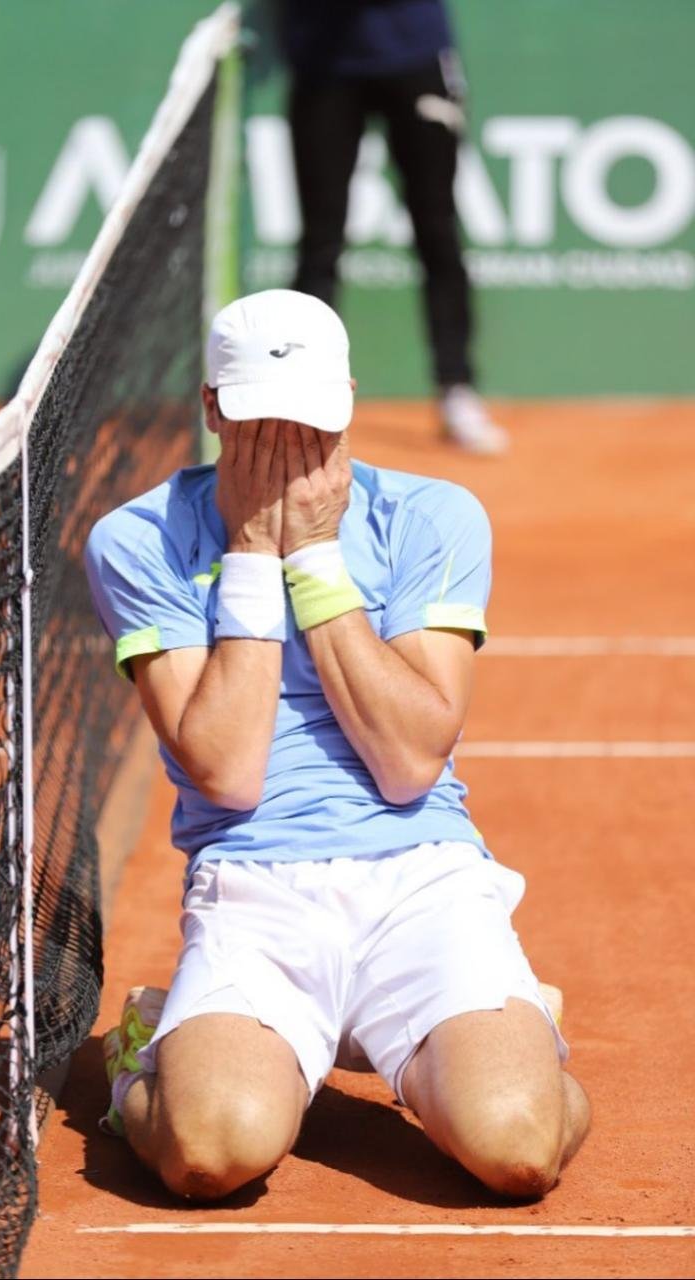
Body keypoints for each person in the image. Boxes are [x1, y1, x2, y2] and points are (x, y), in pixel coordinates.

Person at [84, 289, 589, 1203]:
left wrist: (315, 560)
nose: (286, 443)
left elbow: (408, 764)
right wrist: (247, 552)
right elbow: (230, 775)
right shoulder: (138, 539)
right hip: (254, 883)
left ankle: (507, 1032)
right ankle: (148, 1056)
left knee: (518, 1147)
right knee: (209, 1154)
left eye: (310, 418)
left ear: (349, 400)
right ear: (210, 409)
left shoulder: (432, 516)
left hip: (421, 879)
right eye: (255, 420)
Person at [279, 0, 508, 454]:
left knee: (437, 230)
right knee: (320, 241)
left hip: (415, 58)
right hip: (322, 65)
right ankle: (296, 400)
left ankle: (456, 389)